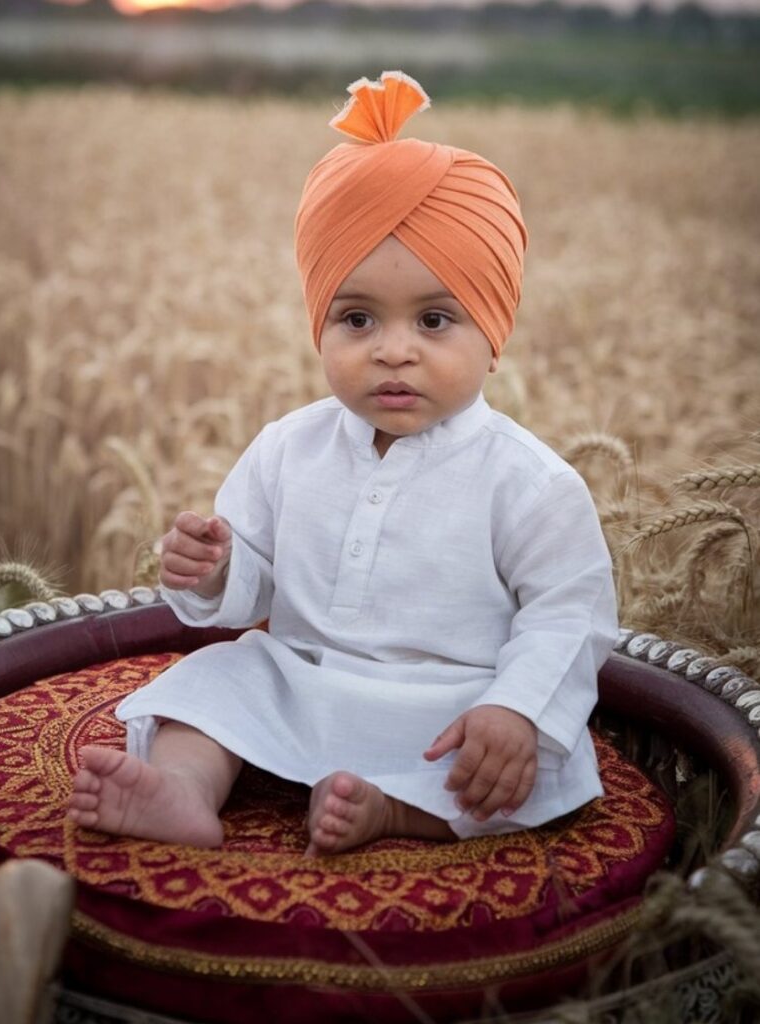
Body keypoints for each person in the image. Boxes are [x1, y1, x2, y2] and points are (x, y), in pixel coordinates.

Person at [69, 71, 618, 856]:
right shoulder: (288, 447)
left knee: (532, 769)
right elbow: (247, 582)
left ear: (492, 333)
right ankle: (184, 792)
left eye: (434, 319)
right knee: (213, 681)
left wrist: (518, 709)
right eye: (357, 318)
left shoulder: (528, 482)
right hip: (301, 678)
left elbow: (569, 614)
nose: (393, 349)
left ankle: (398, 810)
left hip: (448, 706)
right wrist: (214, 569)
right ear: (318, 325)